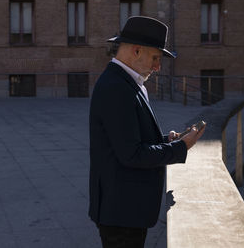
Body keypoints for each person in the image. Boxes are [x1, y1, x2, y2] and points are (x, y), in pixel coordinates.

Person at [88, 16, 206, 248]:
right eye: (155, 58)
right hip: (121, 213)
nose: (157, 67)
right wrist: (180, 148)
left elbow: (127, 140)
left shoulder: (127, 81)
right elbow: (131, 154)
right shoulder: (116, 87)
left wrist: (167, 141)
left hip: (126, 209)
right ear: (136, 51)